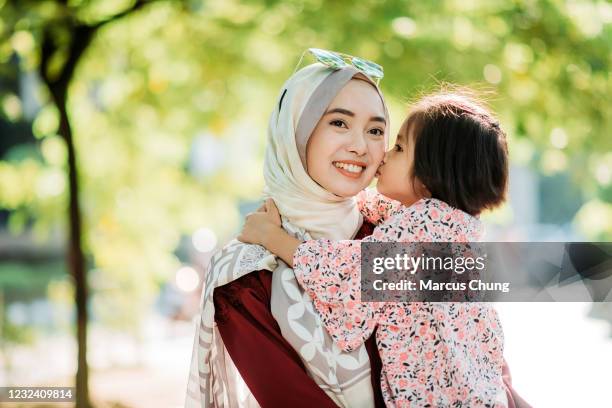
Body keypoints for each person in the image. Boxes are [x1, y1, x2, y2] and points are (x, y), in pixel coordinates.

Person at [238, 92, 526, 407]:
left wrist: (271, 236)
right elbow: (379, 209)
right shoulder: (453, 227)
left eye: (400, 147)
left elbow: (343, 276)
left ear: (431, 176)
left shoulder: (418, 233)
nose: (385, 155)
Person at [186, 59, 390, 407]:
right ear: (296, 132)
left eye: (375, 130)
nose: (360, 146)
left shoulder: (393, 233)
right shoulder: (245, 275)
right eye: (339, 123)